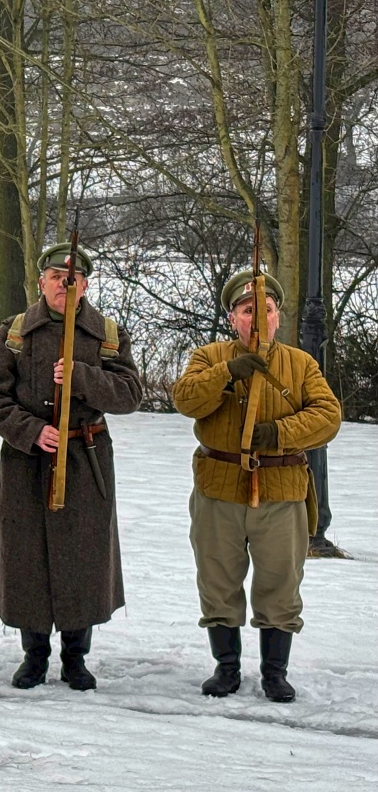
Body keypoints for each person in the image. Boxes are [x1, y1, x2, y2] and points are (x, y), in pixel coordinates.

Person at [0, 242, 142, 691]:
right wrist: (30, 431)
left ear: (85, 285)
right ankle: (34, 656)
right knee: (26, 557)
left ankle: (75, 658)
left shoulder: (107, 334)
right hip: (27, 461)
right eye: (55, 278)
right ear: (41, 282)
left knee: (82, 558)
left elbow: (129, 394)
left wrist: (83, 376)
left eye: (73, 279)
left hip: (86, 460)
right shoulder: (15, 332)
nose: (64, 286)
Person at [172, 269, 341, 702]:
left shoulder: (301, 364)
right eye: (248, 311)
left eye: (266, 309)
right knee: (218, 579)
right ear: (233, 318)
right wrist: (227, 372)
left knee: (280, 583)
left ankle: (274, 673)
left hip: (281, 489)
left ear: (278, 316)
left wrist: (279, 433)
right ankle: (226, 668)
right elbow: (186, 399)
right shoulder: (209, 356)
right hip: (219, 487)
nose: (258, 319)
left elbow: (328, 416)